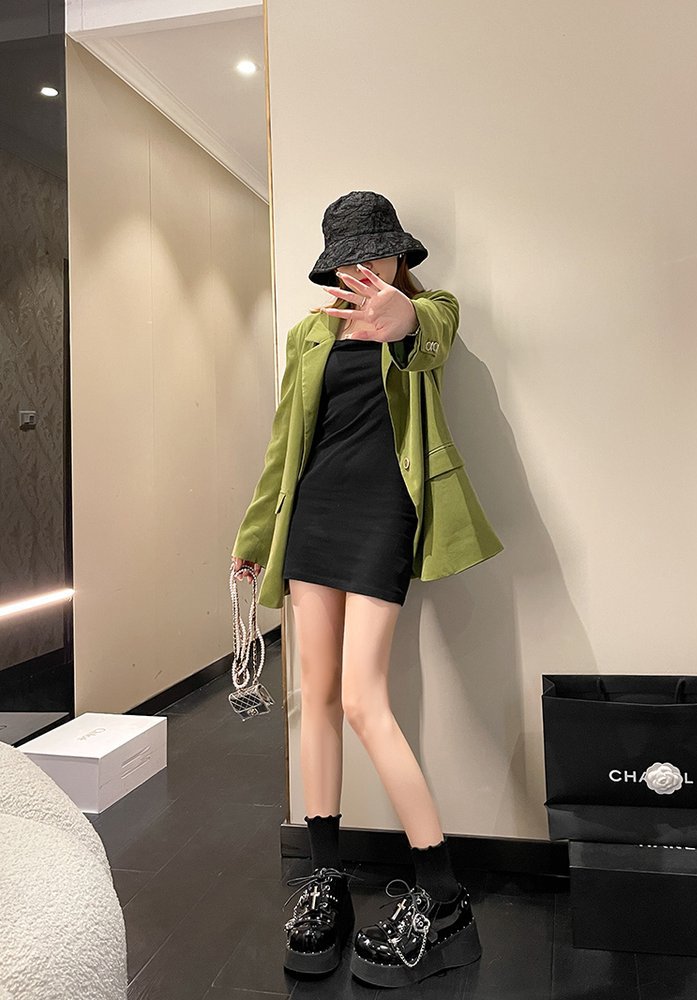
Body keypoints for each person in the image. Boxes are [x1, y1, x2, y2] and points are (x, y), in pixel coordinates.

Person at [231, 191, 502, 988]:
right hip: (313, 514)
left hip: (383, 514)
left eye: (377, 251)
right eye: (350, 254)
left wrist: (401, 317)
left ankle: (445, 898)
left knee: (361, 701)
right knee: (313, 696)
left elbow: (430, 333)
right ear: (331, 263)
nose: (364, 266)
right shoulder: (308, 334)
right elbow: (285, 446)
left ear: (400, 254)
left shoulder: (429, 312)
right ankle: (327, 881)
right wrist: (255, 537)